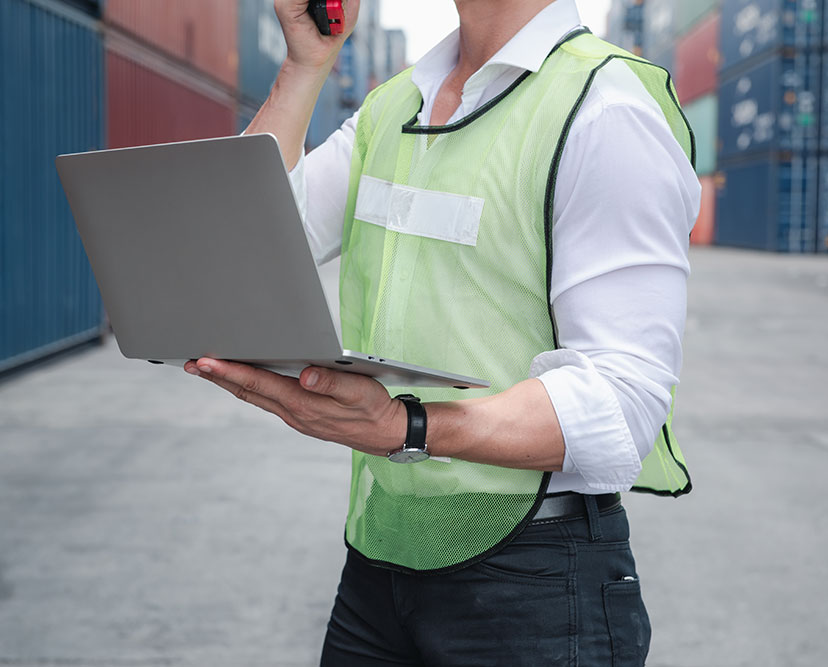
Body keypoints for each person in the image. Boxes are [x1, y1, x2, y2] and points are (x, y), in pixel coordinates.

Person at [184, 0, 699, 664]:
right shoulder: (393, 105)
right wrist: (305, 65)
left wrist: (411, 426)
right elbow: (243, 256)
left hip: (536, 584)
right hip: (380, 562)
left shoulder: (604, 108)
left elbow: (621, 399)